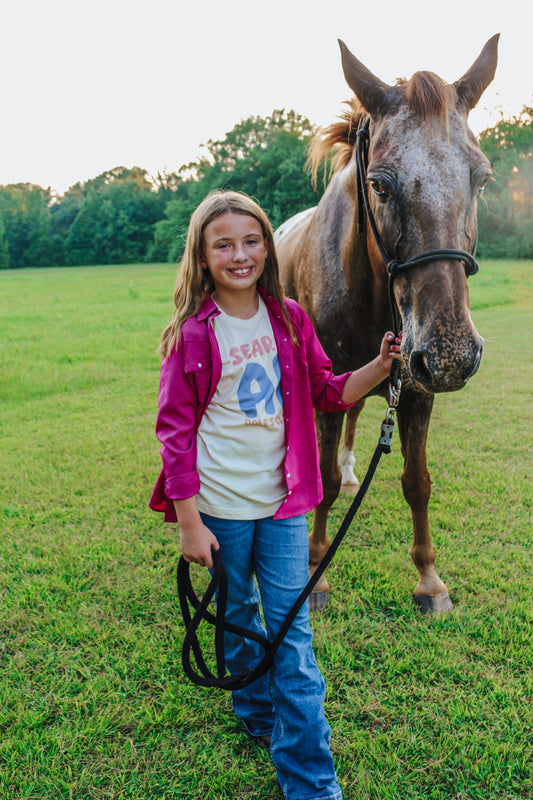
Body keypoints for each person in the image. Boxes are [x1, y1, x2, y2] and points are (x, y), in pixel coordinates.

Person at [150, 189, 402, 800]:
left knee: (291, 633)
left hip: (286, 504)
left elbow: (326, 389)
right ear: (203, 257)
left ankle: (312, 782)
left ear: (268, 243)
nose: (241, 255)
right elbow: (174, 434)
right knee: (237, 616)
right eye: (224, 245)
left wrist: (377, 367)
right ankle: (255, 710)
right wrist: (189, 522)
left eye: (251, 240)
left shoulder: (289, 317)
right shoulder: (194, 336)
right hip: (220, 509)